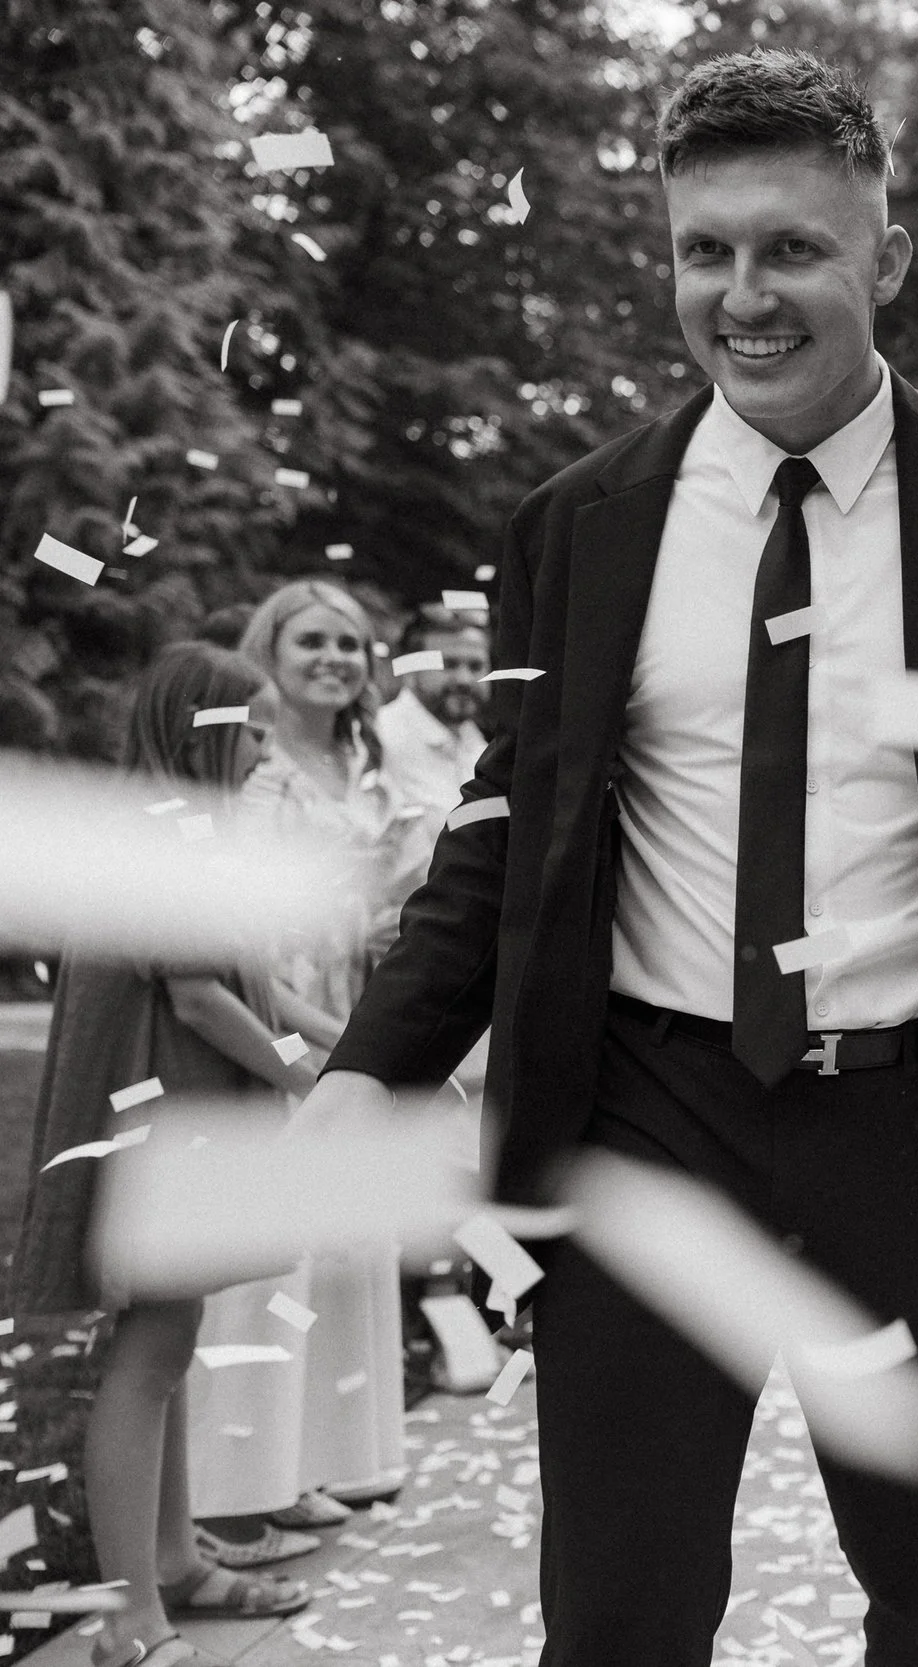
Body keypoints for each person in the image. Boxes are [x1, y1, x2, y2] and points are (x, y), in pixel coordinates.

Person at [285, 49, 918, 1667]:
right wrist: (376, 1064)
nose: (744, 294)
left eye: (792, 248)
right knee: (620, 1607)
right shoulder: (581, 525)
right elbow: (507, 824)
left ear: (886, 260)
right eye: (704, 251)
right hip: (645, 1121)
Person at [10, 643, 322, 1666]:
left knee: (167, 1342)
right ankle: (127, 1615)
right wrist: (308, 1080)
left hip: (169, 1116)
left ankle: (175, 1563)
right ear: (208, 729)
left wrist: (357, 1044)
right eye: (255, 725)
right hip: (152, 1126)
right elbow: (199, 995)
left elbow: (255, 981)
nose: (267, 747)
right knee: (145, 1357)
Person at [185, 581, 418, 1558]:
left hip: (355, 988)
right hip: (277, 1004)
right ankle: (228, 1490)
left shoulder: (367, 758)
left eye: (353, 644)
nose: (335, 657)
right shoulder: (255, 764)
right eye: (314, 639)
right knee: (263, 1252)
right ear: (269, 649)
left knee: (334, 1243)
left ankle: (300, 1464)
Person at [372, 602, 490, 846]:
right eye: (448, 664)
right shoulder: (379, 736)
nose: (464, 679)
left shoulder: (479, 744)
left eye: (475, 666)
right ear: (410, 668)